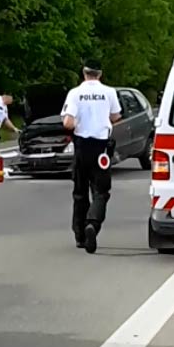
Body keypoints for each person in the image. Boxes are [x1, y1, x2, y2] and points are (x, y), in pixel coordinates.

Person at [62, 63, 122, 253]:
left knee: (80, 192)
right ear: (100, 74)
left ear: (84, 73)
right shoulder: (109, 92)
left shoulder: (75, 93)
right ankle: (93, 224)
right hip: (101, 148)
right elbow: (116, 116)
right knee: (101, 191)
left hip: (82, 146)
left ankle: (80, 235)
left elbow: (68, 122)